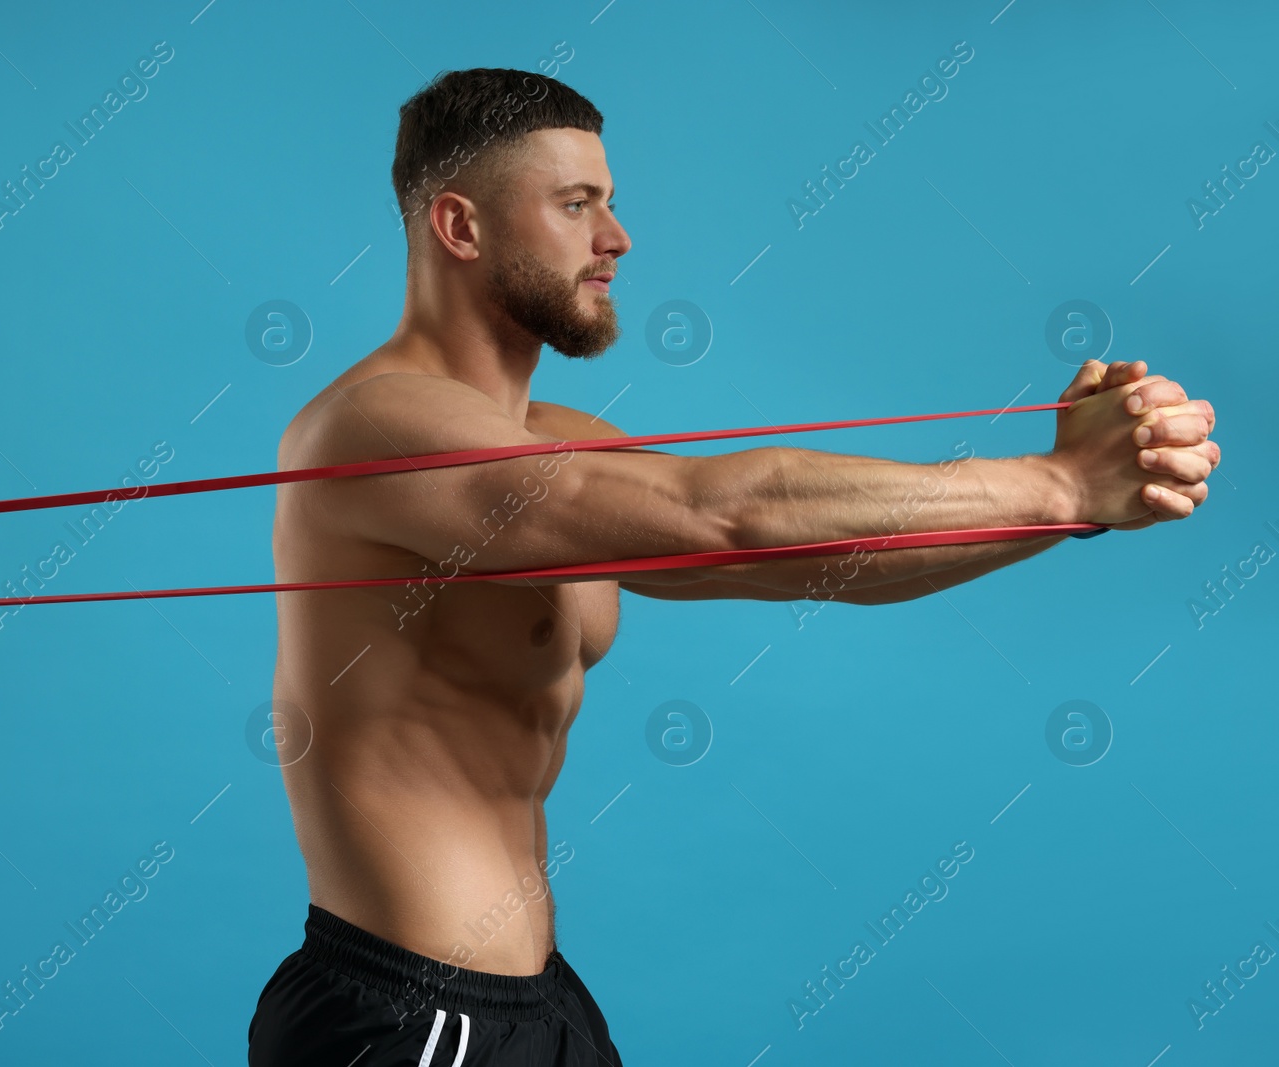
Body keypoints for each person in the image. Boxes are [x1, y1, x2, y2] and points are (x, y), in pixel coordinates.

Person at [247, 68, 1218, 1066]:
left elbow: (805, 561)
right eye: (575, 205)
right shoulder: (372, 426)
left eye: (610, 204)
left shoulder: (556, 439)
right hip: (411, 1015)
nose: (615, 239)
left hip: (540, 998)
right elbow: (724, 513)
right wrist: (1057, 482)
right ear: (460, 226)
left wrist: (1078, 506)